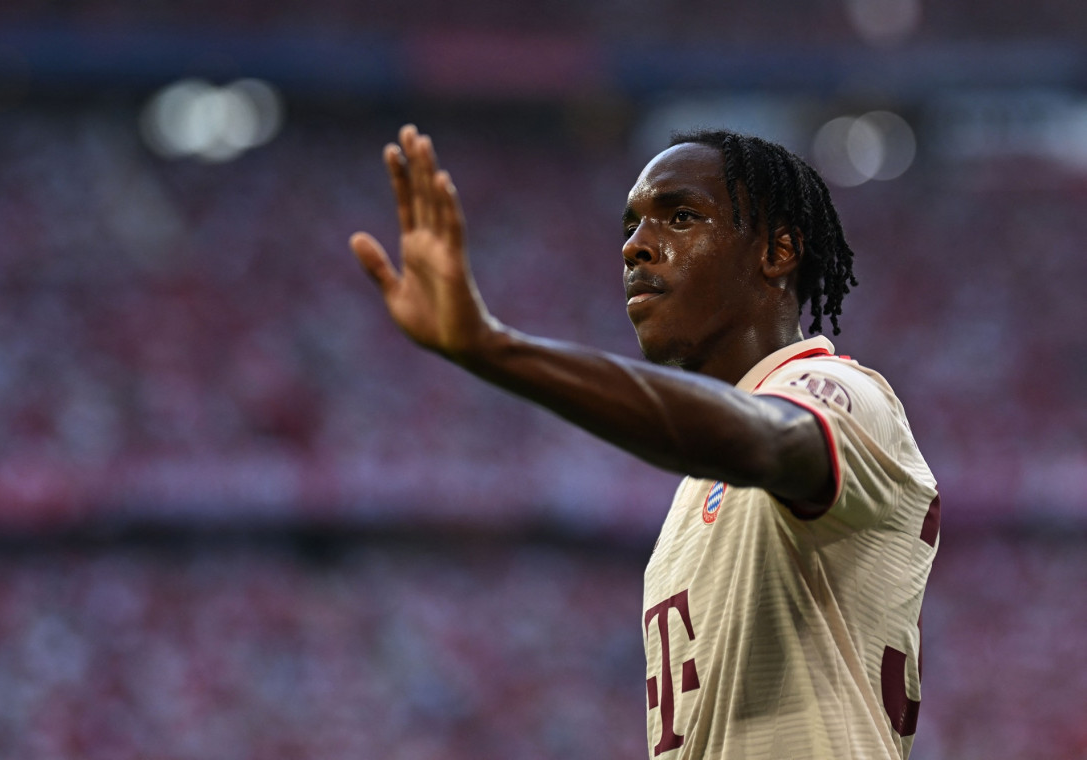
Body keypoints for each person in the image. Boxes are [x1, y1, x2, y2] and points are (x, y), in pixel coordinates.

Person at [350, 124, 939, 760]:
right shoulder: (696, 491)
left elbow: (767, 438)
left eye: (681, 217)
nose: (635, 246)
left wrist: (496, 349)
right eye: (630, 226)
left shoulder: (844, 393)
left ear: (778, 251)